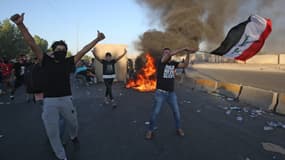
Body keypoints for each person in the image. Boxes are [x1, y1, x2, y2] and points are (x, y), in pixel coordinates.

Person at [11, 13, 105, 160]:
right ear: (53, 50)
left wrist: (97, 39)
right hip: (49, 102)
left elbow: (84, 50)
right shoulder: (45, 60)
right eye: (58, 49)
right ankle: (61, 156)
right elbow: (31, 43)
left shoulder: (68, 62)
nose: (61, 51)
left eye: (63, 49)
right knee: (52, 132)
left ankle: (74, 137)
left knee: (73, 124)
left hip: (66, 100)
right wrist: (20, 25)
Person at [145, 47, 197, 140]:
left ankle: (178, 128)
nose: (167, 54)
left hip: (171, 94)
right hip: (160, 93)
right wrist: (184, 47)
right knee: (155, 113)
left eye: (168, 52)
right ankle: (150, 130)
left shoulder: (173, 63)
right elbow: (168, 56)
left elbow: (185, 65)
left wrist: (188, 53)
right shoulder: (160, 62)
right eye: (165, 53)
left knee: (176, 112)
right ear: (163, 54)